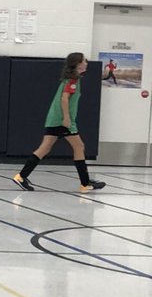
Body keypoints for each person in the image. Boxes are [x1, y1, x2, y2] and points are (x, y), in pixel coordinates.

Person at [13, 52, 106, 193]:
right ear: (78, 64)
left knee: (44, 148)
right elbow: (64, 99)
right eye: (84, 60)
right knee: (79, 147)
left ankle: (21, 176)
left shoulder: (71, 79)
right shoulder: (73, 80)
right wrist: (67, 118)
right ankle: (85, 183)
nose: (87, 62)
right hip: (63, 120)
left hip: (53, 119)